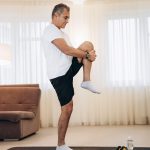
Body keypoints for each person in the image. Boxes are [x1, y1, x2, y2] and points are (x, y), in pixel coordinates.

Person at [42, 3, 100, 150]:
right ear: (56, 15)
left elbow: (73, 51)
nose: (67, 21)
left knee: (87, 44)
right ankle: (60, 145)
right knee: (67, 108)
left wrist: (86, 54)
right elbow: (67, 50)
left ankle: (86, 81)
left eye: (68, 18)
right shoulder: (50, 30)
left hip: (68, 67)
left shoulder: (62, 33)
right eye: (65, 17)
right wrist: (87, 55)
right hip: (59, 75)